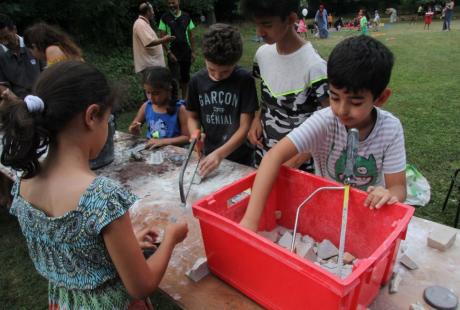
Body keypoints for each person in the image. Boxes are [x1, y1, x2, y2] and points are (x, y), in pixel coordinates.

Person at [0, 61, 188, 309]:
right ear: (91, 116)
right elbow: (141, 286)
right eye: (108, 120)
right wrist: (172, 238)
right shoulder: (102, 199)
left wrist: (127, 246)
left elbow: (73, 251)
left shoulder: (24, 183)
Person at [240, 36, 406, 232]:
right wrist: (250, 222)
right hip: (328, 207)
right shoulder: (325, 120)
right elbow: (273, 157)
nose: (342, 110)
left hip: (369, 213)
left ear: (381, 98)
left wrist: (387, 193)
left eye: (355, 102)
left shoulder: (391, 129)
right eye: (334, 97)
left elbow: (399, 188)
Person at [241, 0, 329, 172]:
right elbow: (265, 96)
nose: (260, 33)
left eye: (266, 24)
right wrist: (257, 120)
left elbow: (329, 122)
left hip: (299, 168)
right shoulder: (262, 55)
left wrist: (296, 161)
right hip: (263, 158)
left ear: (290, 19)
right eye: (256, 24)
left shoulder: (315, 67)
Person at [187, 23, 258, 177]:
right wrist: (194, 133)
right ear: (205, 58)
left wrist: (220, 154)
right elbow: (192, 116)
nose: (218, 76)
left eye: (225, 71)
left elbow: (245, 127)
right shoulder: (196, 81)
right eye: (212, 69)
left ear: (235, 62)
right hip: (209, 156)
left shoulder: (244, 81)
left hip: (241, 159)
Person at [129, 66, 189, 148]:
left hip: (174, 156)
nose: (151, 97)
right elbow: (134, 125)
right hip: (153, 154)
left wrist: (163, 142)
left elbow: (187, 137)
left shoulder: (180, 109)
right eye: (148, 92)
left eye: (156, 93)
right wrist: (134, 130)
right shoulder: (146, 106)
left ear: (168, 89)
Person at [159, 0, 196, 99]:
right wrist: (169, 53)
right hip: (173, 53)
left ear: (178, 2)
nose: (171, 5)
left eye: (173, 3)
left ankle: (184, 101)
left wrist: (193, 52)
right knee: (174, 80)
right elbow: (162, 38)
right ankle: (175, 102)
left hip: (186, 52)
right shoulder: (164, 18)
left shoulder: (187, 16)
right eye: (169, 3)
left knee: (185, 78)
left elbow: (192, 36)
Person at [0, 14, 43, 98]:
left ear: (14, 29)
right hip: (19, 100)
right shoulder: (1, 55)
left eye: (6, 37)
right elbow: (2, 85)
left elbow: (48, 70)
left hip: (44, 93)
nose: (4, 42)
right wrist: (18, 103)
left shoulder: (34, 44)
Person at [132, 2, 175, 74]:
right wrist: (164, 39)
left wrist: (163, 39)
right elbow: (149, 42)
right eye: (152, 10)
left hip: (152, 65)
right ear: (148, 12)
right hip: (150, 66)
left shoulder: (143, 23)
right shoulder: (140, 24)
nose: (153, 13)